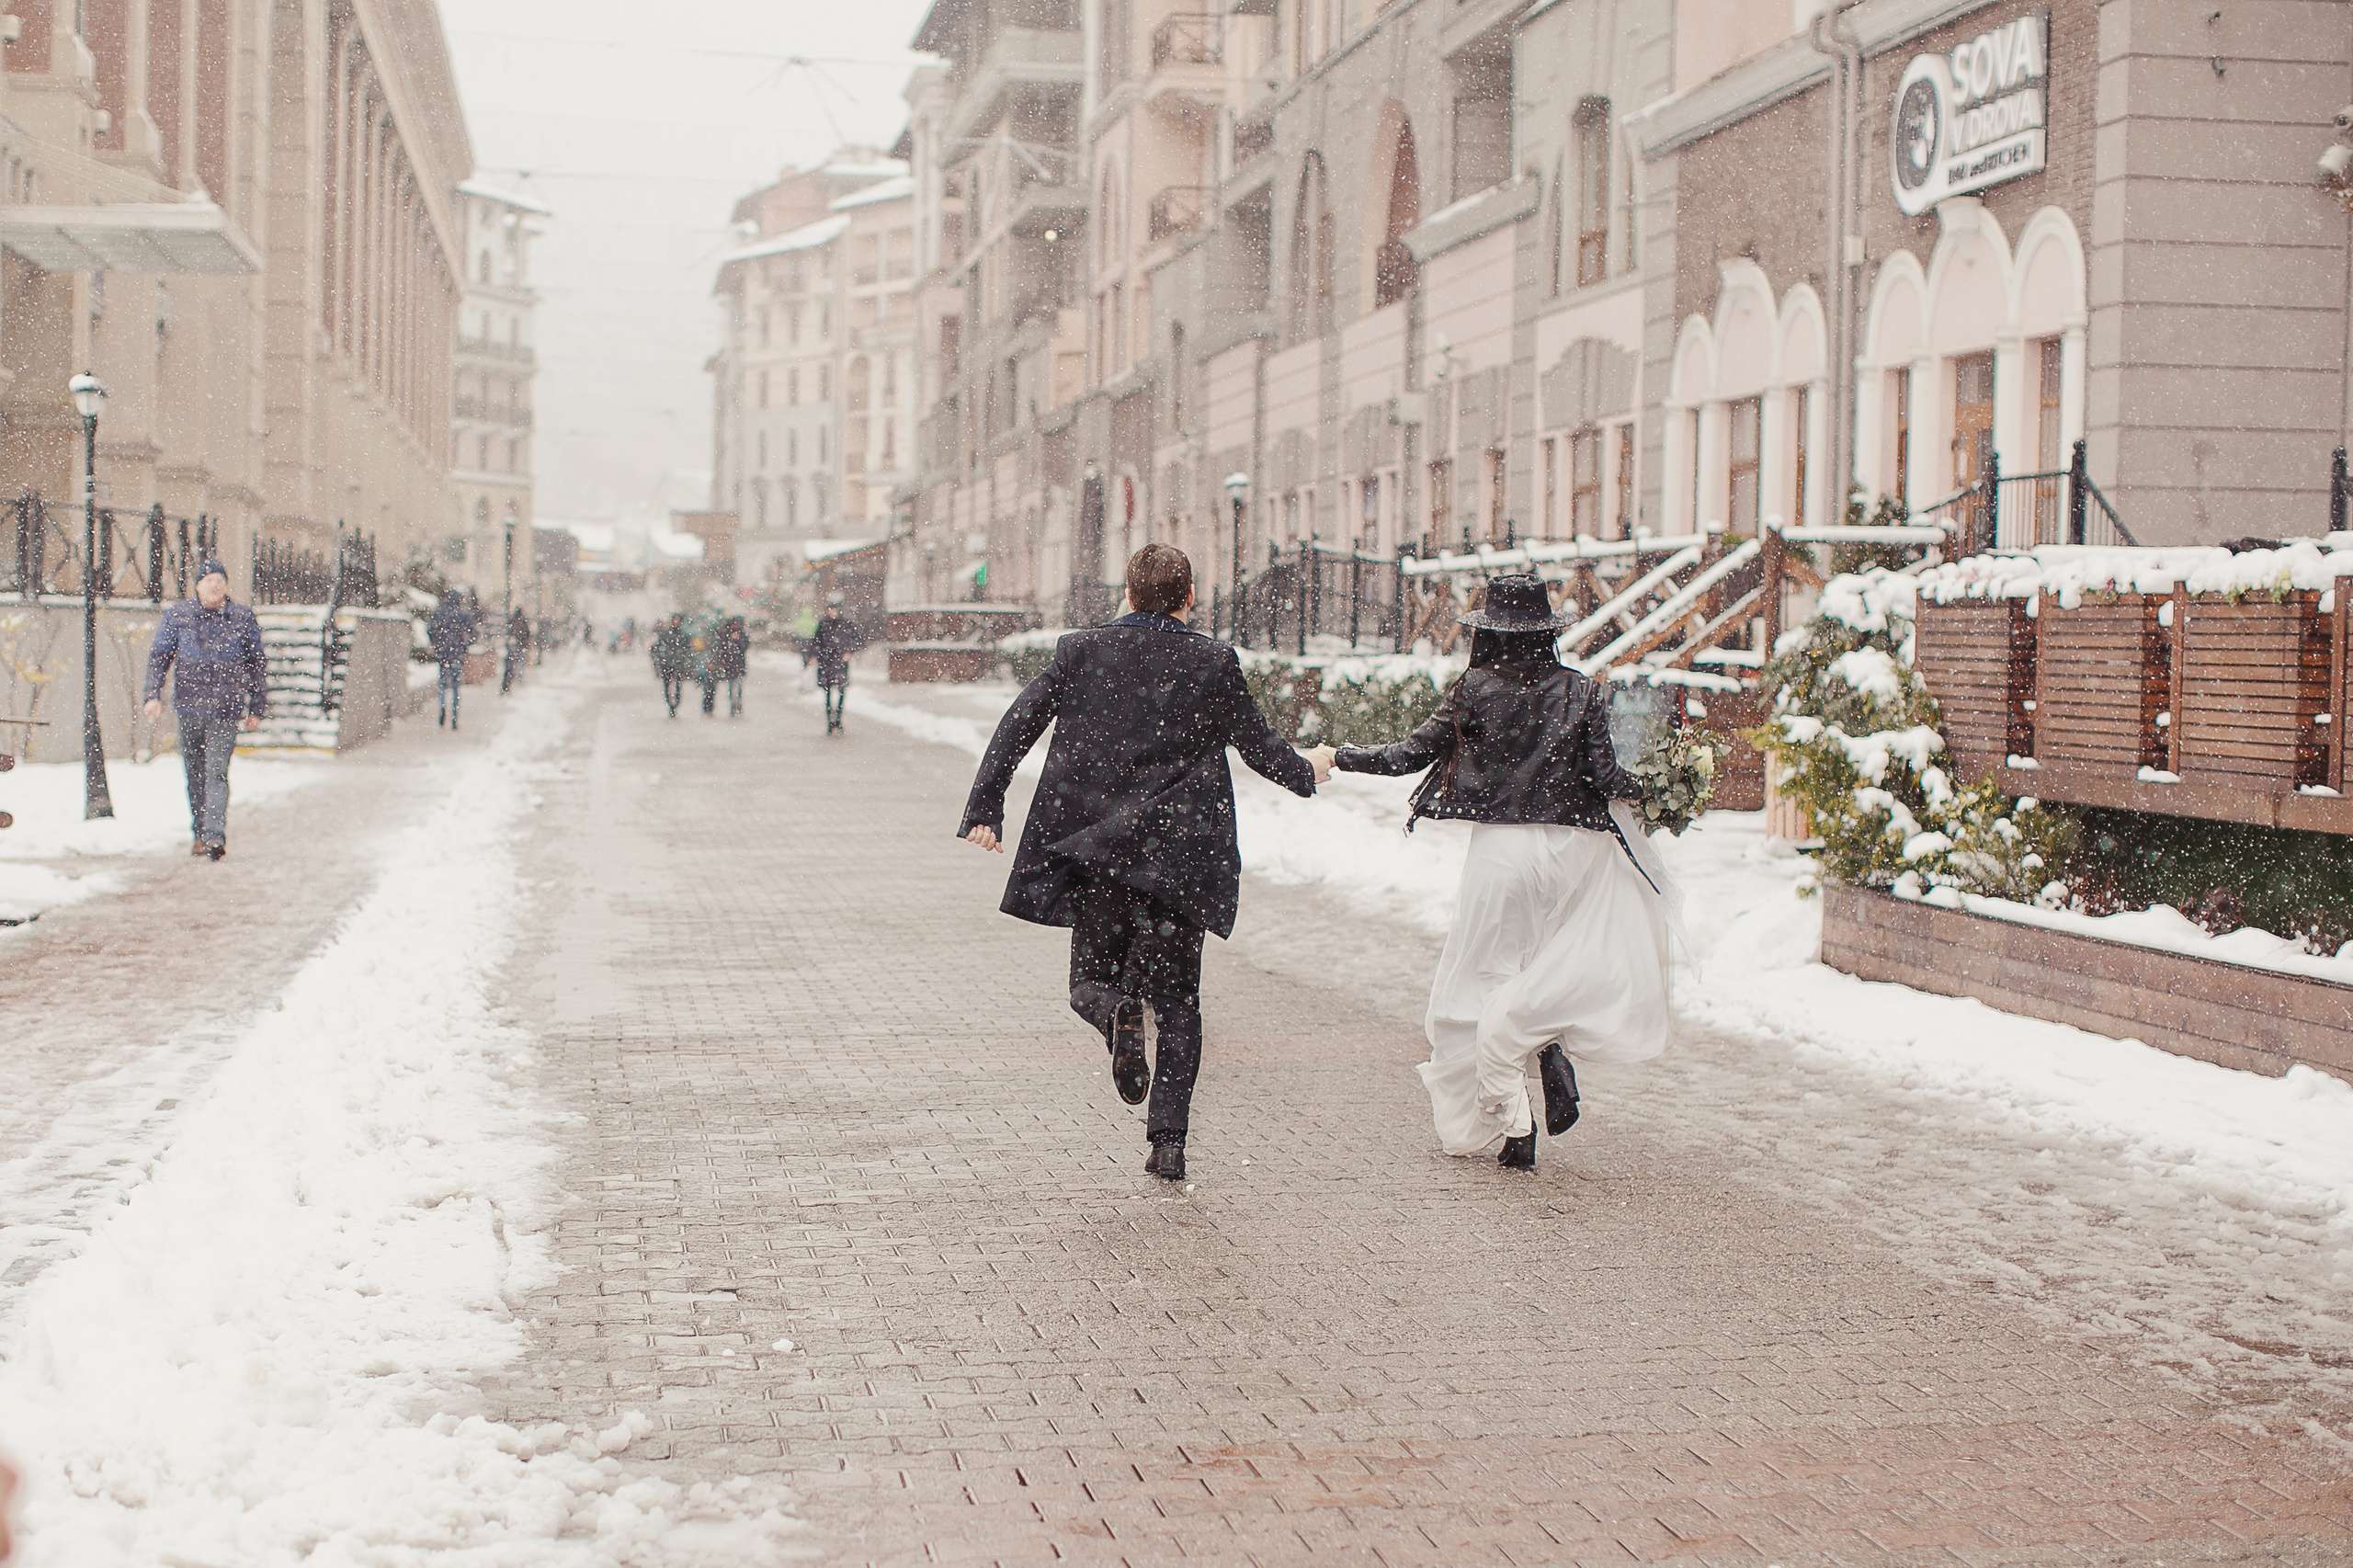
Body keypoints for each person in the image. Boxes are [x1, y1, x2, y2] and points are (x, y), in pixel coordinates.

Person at [960, 544, 1333, 1181]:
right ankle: (1168, 1144)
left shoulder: (1081, 651)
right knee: (1181, 1002)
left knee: (1088, 982)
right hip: (1180, 859)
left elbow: (1018, 722)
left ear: (1127, 596)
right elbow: (1257, 743)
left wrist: (986, 806)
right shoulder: (1213, 661)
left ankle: (1114, 1012)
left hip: (1102, 853)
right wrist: (1308, 770)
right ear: (1190, 599)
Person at [1330, 572, 1675, 1172]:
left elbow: (1407, 756)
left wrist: (1340, 756)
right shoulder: (1584, 692)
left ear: (1489, 631)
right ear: (1546, 632)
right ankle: (1550, 1053)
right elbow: (1606, 778)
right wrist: (1664, 792)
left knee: (1478, 984)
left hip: (1504, 854)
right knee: (1541, 973)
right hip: (1575, 852)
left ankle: (1513, 1120)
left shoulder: (1474, 690)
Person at [141, 556, 268, 861]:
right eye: (209, 580)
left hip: (226, 709)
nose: (215, 584)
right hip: (189, 706)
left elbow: (256, 664)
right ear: (197, 586)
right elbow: (160, 655)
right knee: (195, 773)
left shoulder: (241, 617)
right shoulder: (180, 615)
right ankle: (199, 832)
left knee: (217, 773)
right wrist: (152, 694)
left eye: (219, 580)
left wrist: (257, 707)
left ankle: (214, 835)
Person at [426, 589, 476, 729]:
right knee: (455, 686)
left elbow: (430, 629)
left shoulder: (438, 613)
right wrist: (466, 644)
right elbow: (473, 632)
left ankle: (442, 706)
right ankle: (454, 716)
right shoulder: (463, 615)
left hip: (443, 653)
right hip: (457, 653)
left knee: (442, 684)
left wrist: (435, 643)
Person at [812, 595, 859, 734]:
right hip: (826, 663)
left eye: (833, 609)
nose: (831, 612)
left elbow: (856, 639)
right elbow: (816, 642)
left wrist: (849, 651)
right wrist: (815, 655)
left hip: (839, 663)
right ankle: (830, 721)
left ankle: (838, 719)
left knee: (841, 691)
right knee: (827, 693)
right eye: (829, 609)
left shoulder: (846, 624)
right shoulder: (823, 624)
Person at [650, 614, 690, 717]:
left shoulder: (682, 635)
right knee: (667, 685)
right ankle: (670, 704)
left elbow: (687, 649)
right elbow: (657, 647)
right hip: (667, 664)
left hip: (677, 664)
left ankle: (675, 703)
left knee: (677, 686)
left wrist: (683, 659)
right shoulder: (666, 634)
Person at [714, 615, 750, 717]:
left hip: (739, 666)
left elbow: (745, 647)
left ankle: (737, 704)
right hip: (729, 666)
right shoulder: (725, 635)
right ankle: (733, 705)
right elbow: (722, 649)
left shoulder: (742, 635)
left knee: (738, 687)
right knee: (731, 688)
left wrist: (738, 640)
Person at [501, 605, 529, 694]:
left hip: (514, 646)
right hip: (520, 646)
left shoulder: (512, 622)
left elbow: (509, 632)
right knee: (519, 662)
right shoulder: (523, 622)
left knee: (511, 665)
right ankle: (518, 677)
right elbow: (527, 633)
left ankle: (508, 683)